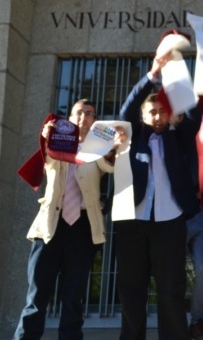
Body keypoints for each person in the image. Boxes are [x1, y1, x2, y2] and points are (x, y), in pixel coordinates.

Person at [13, 100, 121, 340]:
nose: (84, 118)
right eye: (79, 113)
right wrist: (46, 138)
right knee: (36, 297)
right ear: (70, 118)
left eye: (90, 114)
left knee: (73, 298)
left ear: (95, 119)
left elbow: (109, 166)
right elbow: (48, 161)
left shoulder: (99, 145)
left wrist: (114, 147)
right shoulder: (56, 139)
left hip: (83, 227)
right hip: (51, 224)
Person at [116, 46, 201, 340]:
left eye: (162, 112)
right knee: (131, 291)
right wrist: (153, 74)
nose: (157, 116)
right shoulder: (130, 136)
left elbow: (194, 116)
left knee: (171, 292)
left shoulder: (178, 138)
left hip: (170, 223)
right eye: (152, 111)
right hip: (132, 221)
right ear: (143, 115)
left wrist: (177, 78)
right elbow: (125, 110)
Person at [171, 112, 203, 340]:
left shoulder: (201, 138)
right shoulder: (163, 137)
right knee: (172, 274)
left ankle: (197, 320)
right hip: (171, 216)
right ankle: (175, 322)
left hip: (198, 214)